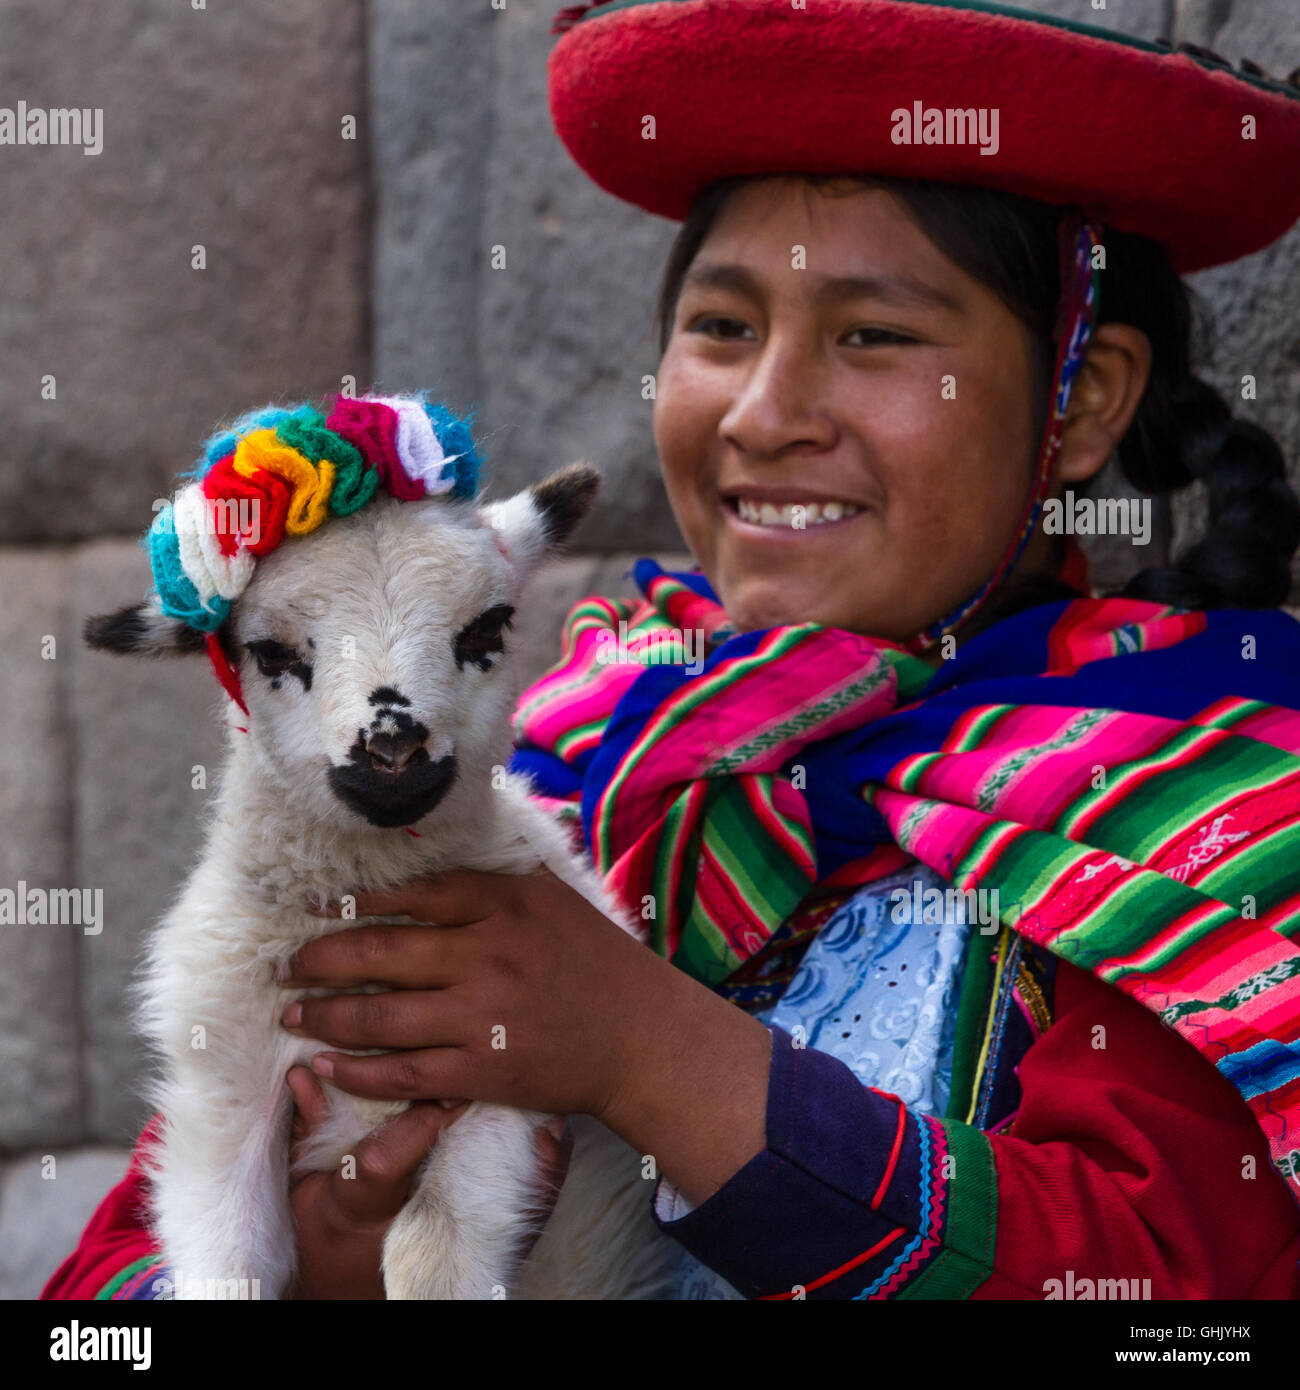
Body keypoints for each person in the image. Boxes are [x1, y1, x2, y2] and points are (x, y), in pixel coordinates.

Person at [44, 0, 1300, 1300]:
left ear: (1083, 400)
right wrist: (324, 1255)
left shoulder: (1196, 811)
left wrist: (640, 1050)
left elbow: (1171, 1283)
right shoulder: (558, 765)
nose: (765, 414)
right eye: (722, 329)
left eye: (874, 336)